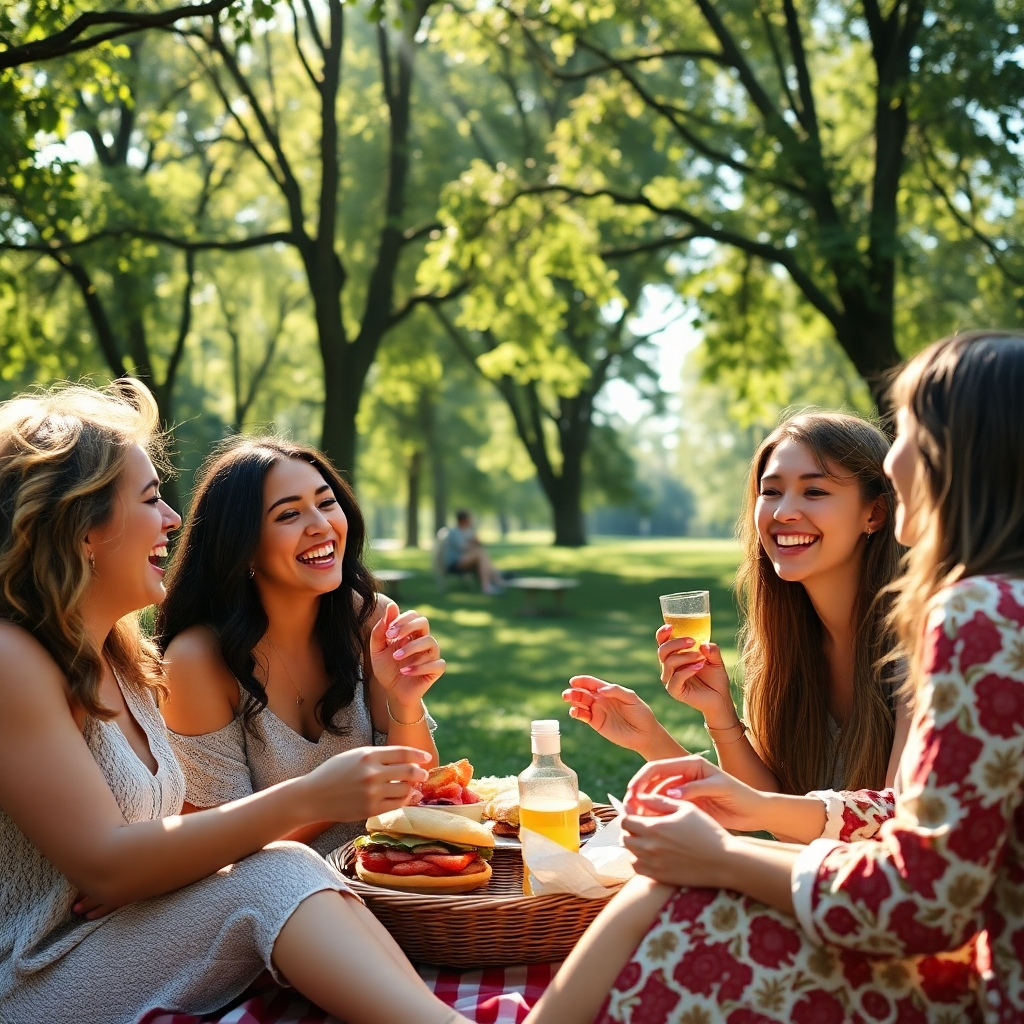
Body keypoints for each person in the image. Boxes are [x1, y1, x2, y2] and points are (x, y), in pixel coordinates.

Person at [527, 330, 1024, 1024]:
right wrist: (695, 737)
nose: (897, 453)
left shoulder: (976, 616)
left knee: (670, 909)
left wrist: (727, 858)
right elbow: (886, 815)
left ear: (962, 453)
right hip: (940, 944)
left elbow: (922, 890)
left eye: (908, 430)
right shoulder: (807, 640)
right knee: (668, 899)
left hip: (978, 983)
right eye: (772, 491)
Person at [0, 380, 469, 1024]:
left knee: (287, 870)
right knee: (277, 874)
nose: (171, 519)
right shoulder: (13, 659)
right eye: (150, 500)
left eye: (325, 503)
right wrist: (309, 796)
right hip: (39, 975)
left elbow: (143, 849)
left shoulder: (122, 657)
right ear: (83, 528)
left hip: (135, 936)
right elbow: (111, 865)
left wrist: (404, 703)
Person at [565, 412, 908, 799]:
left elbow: (889, 824)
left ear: (874, 513)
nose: (783, 513)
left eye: (814, 492)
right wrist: (696, 722)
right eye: (771, 492)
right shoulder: (782, 649)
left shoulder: (917, 651)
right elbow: (772, 809)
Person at [156, 437, 443, 856]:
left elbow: (419, 791)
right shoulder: (196, 661)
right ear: (242, 545)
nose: (321, 526)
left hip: (385, 876)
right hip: (272, 900)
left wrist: (405, 701)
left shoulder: (370, 621)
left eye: (326, 503)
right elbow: (214, 853)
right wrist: (333, 796)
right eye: (289, 513)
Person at [443, 509, 504, 594]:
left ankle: (494, 583)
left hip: (466, 560)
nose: (471, 521)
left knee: (482, 555)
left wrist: (476, 540)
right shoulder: (454, 532)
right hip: (455, 563)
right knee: (481, 553)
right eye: (469, 519)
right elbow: (464, 548)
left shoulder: (468, 531)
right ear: (464, 520)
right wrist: (474, 545)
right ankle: (491, 584)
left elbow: (478, 545)